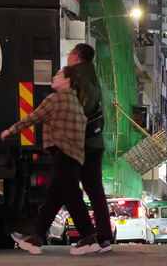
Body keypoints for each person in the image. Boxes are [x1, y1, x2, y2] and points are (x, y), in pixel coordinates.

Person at [1, 67, 99, 255]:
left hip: (62, 153)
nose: (54, 77)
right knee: (54, 198)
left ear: (67, 81)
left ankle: (89, 238)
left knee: (73, 198)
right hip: (74, 156)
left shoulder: (55, 100)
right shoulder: (76, 103)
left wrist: (9, 131)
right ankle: (35, 238)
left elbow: (32, 118)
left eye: (58, 75)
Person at [65, 43, 113, 253]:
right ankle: (102, 236)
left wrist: (76, 117)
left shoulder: (78, 74)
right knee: (94, 190)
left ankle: (90, 235)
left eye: (69, 54)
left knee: (67, 187)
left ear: (76, 56)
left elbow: (88, 99)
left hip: (82, 142)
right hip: (94, 142)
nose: (67, 57)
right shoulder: (92, 73)